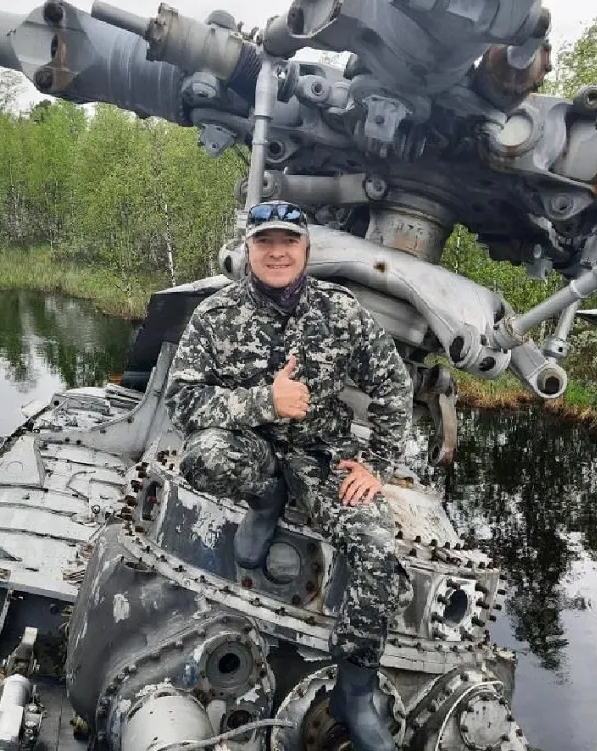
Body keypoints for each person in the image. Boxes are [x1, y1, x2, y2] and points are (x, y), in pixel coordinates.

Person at [164, 200, 413, 751]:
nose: (276, 252)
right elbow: (182, 402)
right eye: (264, 242)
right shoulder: (215, 315)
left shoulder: (340, 311)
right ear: (248, 248)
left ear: (306, 249)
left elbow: (394, 384)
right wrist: (265, 400)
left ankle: (354, 686)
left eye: (288, 242)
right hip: (251, 447)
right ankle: (265, 500)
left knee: (375, 547)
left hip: (321, 456)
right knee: (203, 456)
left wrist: (380, 464)